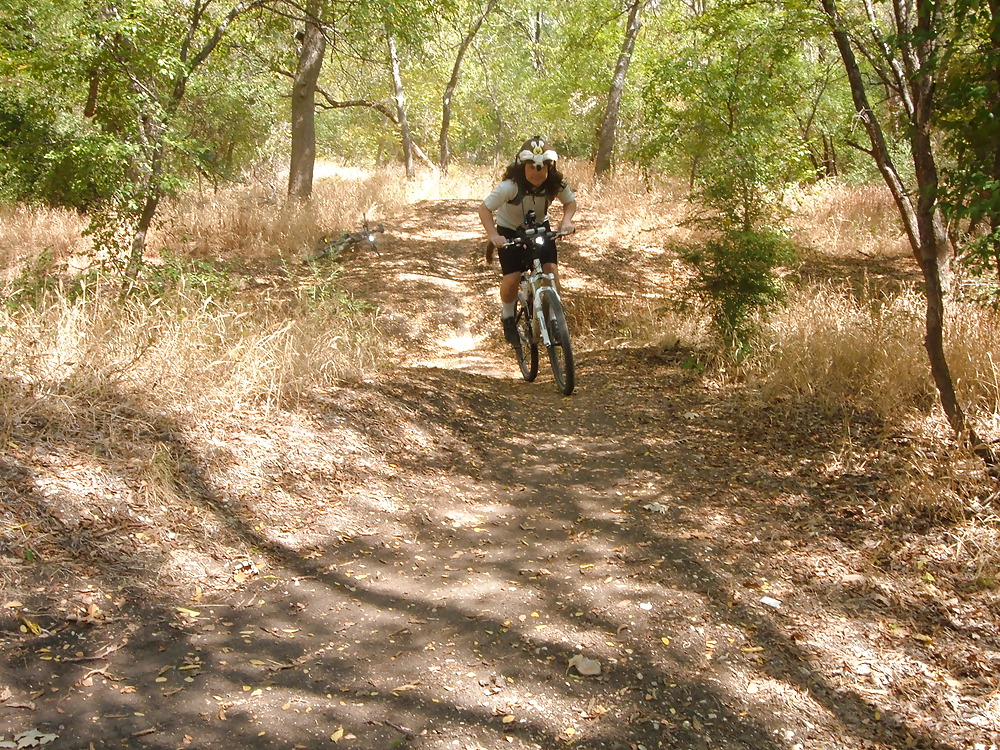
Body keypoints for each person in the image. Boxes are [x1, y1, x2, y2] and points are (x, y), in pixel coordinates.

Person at [478, 136, 576, 346]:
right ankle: (508, 317)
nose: (536, 173)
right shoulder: (509, 187)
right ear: (523, 167)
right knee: (512, 279)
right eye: (531, 167)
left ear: (549, 168)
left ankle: (554, 320)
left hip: (540, 228)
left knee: (550, 271)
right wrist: (494, 235)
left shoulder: (555, 183)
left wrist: (566, 221)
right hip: (509, 231)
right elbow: (484, 209)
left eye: (541, 168)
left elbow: (570, 202)